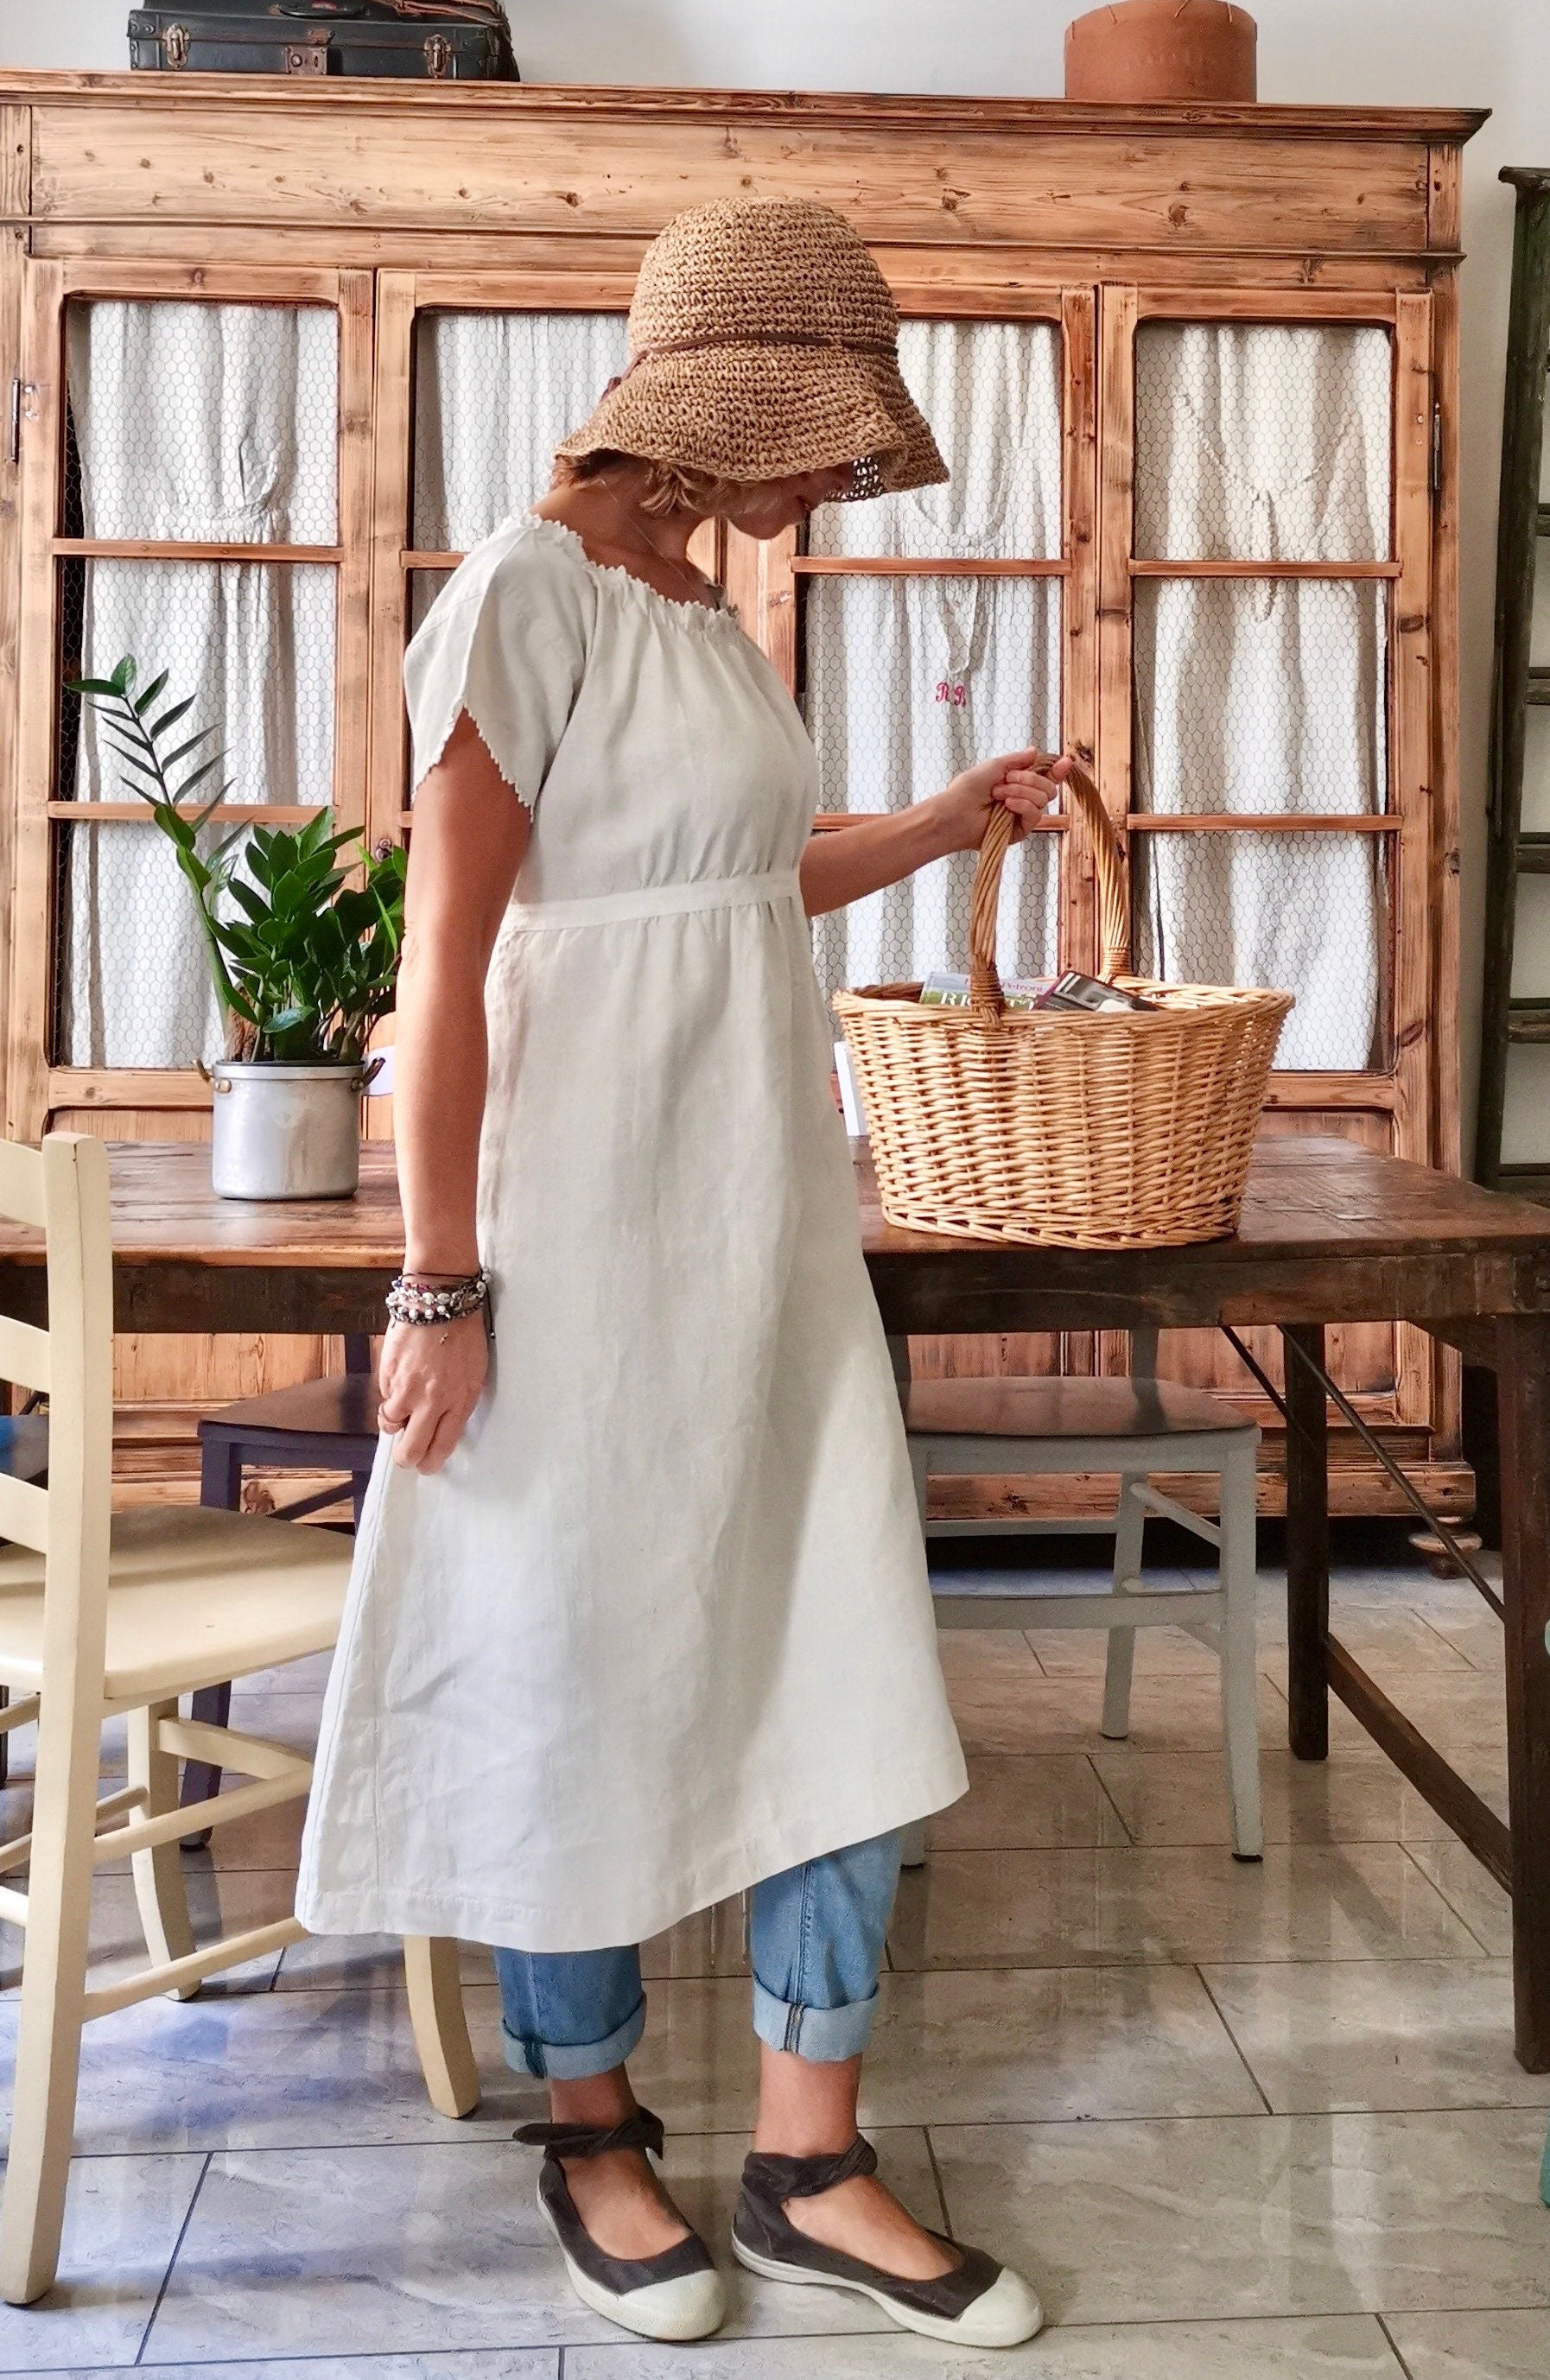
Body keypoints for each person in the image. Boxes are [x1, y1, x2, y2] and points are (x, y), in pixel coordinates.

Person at [297, 197, 1066, 2350]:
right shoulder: (522, 592)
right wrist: (441, 1285)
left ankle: (814, 2158)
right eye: (825, 438)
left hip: (760, 1213)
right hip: (573, 1222)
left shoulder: (711, 613)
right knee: (574, 1656)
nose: (841, 477)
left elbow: (729, 883)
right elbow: (452, 964)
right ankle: (593, 2123)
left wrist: (942, 820)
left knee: (838, 1641)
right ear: (720, 408)